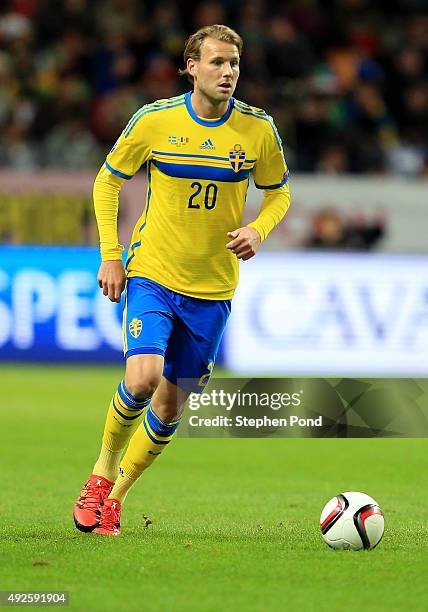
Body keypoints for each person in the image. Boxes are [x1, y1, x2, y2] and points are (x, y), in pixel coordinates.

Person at [73, 24, 291, 536]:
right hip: (153, 273)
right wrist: (111, 255)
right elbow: (108, 180)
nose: (228, 72)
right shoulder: (155, 121)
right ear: (190, 67)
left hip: (213, 291)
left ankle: (118, 498)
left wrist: (259, 229)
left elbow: (280, 192)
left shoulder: (258, 130)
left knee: (169, 409)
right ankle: (100, 475)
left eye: (234, 63)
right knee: (143, 379)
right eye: (216, 62)